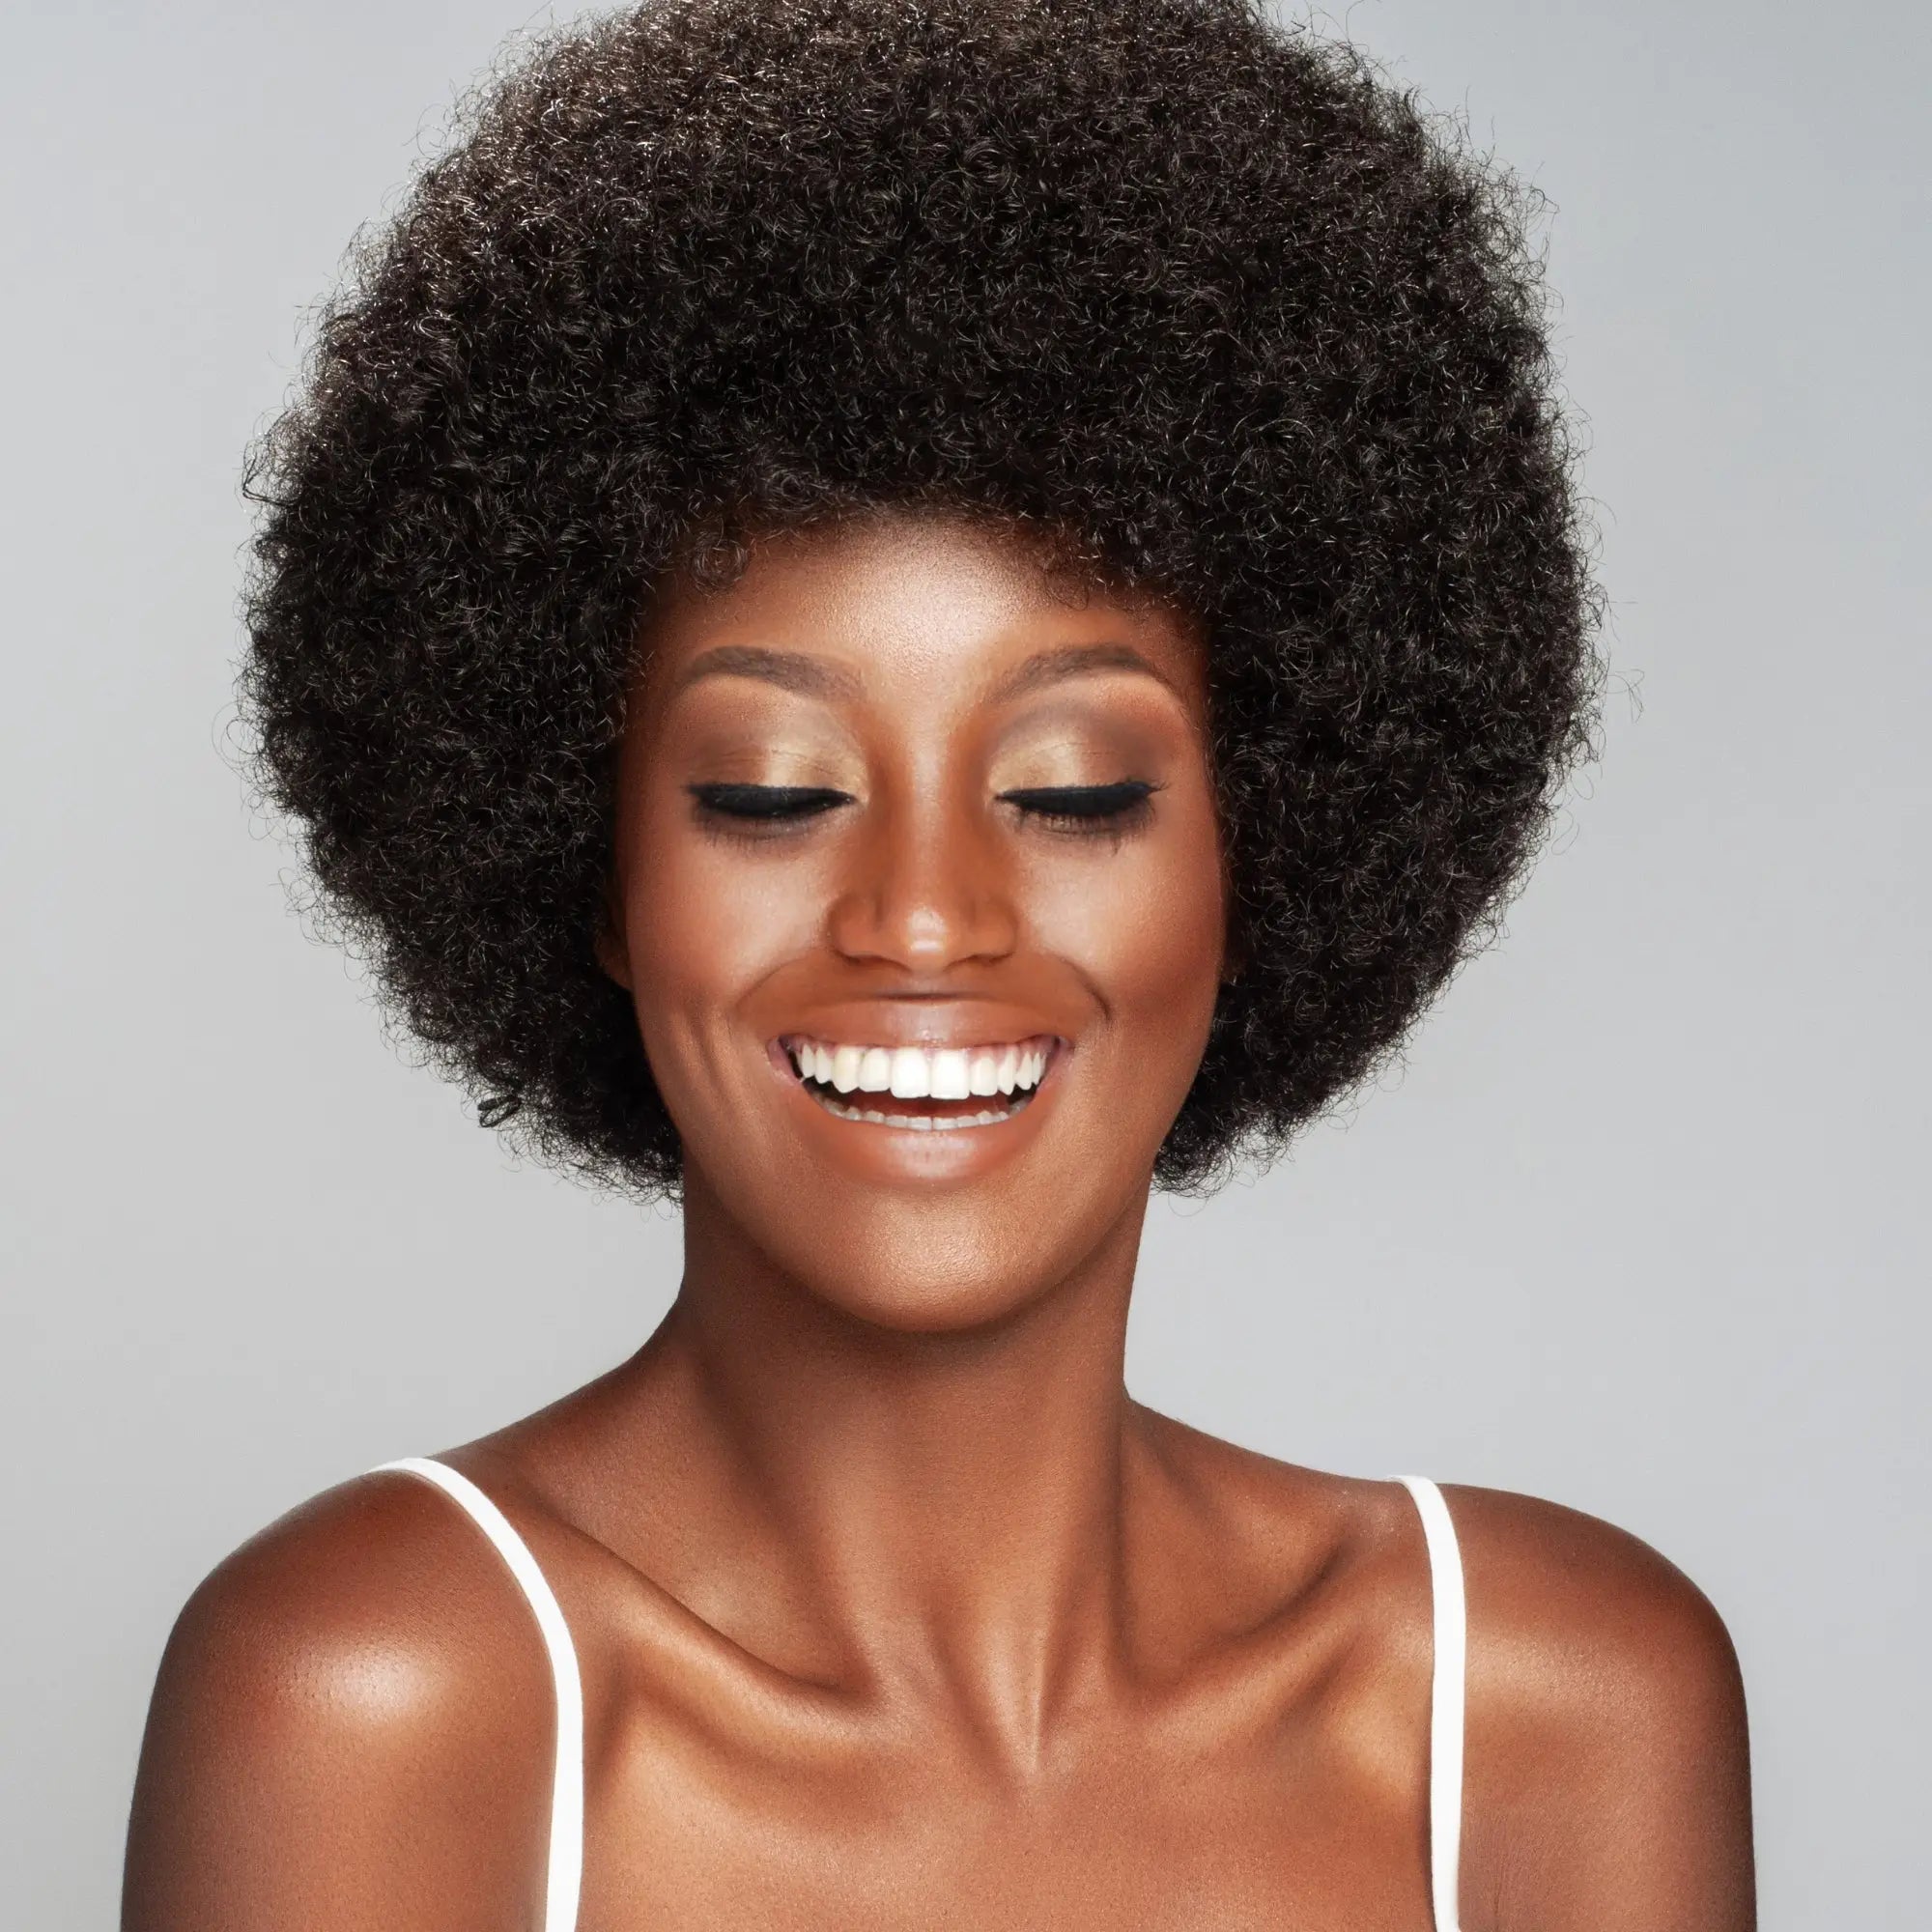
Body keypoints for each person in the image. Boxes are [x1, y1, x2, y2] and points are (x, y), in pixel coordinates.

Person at [123, 1, 1754, 1924]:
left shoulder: (1548, 1712)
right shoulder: (385, 1702)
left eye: (1072, 794)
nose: (921, 918)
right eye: (767, 790)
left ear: (1271, 849)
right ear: (593, 864)